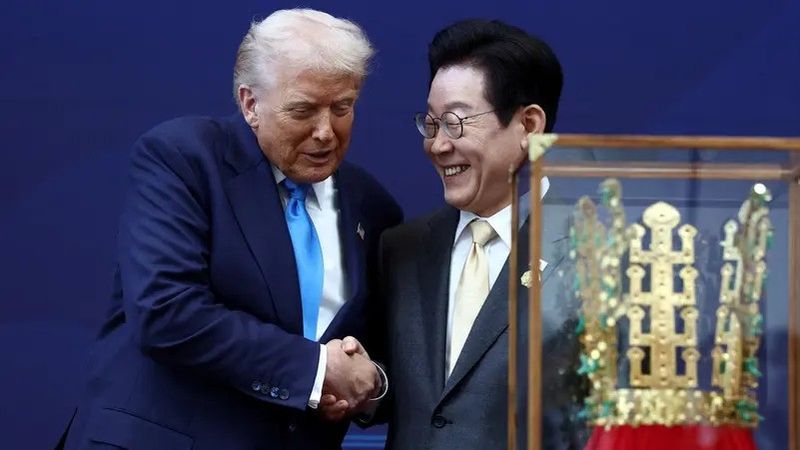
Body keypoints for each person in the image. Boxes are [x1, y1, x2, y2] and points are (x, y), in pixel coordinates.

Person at [59, 8, 402, 450]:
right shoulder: (184, 159)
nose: (325, 132)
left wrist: (369, 385)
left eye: (343, 107)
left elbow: (383, 355)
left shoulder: (371, 207)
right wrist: (315, 370)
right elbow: (166, 310)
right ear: (249, 103)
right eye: (303, 109)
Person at [376, 19, 582, 449]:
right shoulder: (402, 248)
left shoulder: (592, 249)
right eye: (430, 124)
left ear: (528, 125)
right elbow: (391, 396)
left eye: (455, 122)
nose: (437, 145)